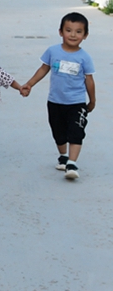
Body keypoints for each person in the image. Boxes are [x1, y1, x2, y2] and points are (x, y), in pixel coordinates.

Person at [20, 12, 95, 180]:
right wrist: (30, 84)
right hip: (55, 101)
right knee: (58, 132)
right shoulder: (52, 51)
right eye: (68, 30)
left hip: (76, 102)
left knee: (76, 132)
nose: (73, 35)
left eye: (78, 31)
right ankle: (63, 157)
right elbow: (43, 69)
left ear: (85, 35)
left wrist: (92, 100)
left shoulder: (84, 57)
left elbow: (89, 80)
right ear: (60, 32)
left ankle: (72, 163)